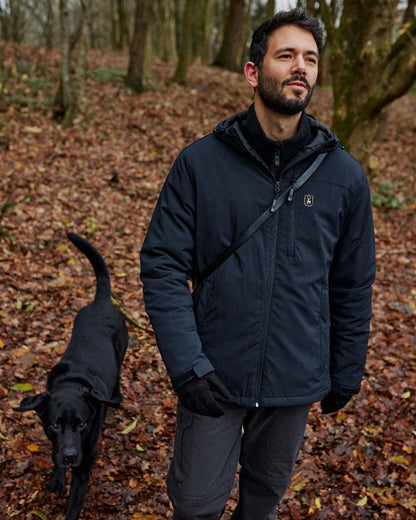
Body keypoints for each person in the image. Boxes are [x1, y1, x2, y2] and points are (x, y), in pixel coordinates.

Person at [140, 8, 376, 520]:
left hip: (295, 376)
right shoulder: (200, 164)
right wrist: (186, 367)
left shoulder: (344, 175)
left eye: (310, 59)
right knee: (196, 504)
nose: (300, 68)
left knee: (263, 500)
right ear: (253, 71)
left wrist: (346, 369)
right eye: (286, 55)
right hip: (213, 373)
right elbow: (161, 264)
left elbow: (353, 282)